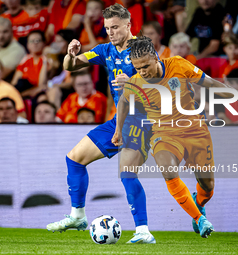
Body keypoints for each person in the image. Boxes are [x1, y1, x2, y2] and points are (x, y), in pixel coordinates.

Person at [112, 36, 238, 238]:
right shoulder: (136, 82)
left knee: (208, 187)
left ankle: (199, 202)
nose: (142, 72)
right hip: (163, 134)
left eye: (145, 66)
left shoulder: (178, 65)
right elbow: (124, 101)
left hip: (195, 131)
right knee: (167, 169)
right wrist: (118, 130)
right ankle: (200, 219)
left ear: (155, 57)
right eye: (137, 68)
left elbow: (212, 84)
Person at [46, 4, 155, 244]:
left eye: (115, 27)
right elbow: (70, 67)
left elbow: (160, 83)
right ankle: (77, 216)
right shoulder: (106, 50)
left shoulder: (142, 48)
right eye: (107, 28)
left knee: (127, 172)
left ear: (128, 25)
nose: (111, 32)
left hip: (144, 120)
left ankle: (143, 231)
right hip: (120, 120)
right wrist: (70, 54)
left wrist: (134, 82)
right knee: (74, 158)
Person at [11, 30, 47, 95]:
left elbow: (42, 86)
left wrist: (22, 95)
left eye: (37, 41)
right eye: (31, 41)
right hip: (22, 92)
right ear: (27, 45)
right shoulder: (25, 59)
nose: (35, 44)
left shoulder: (46, 59)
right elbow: (14, 82)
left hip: (37, 94)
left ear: (44, 43)